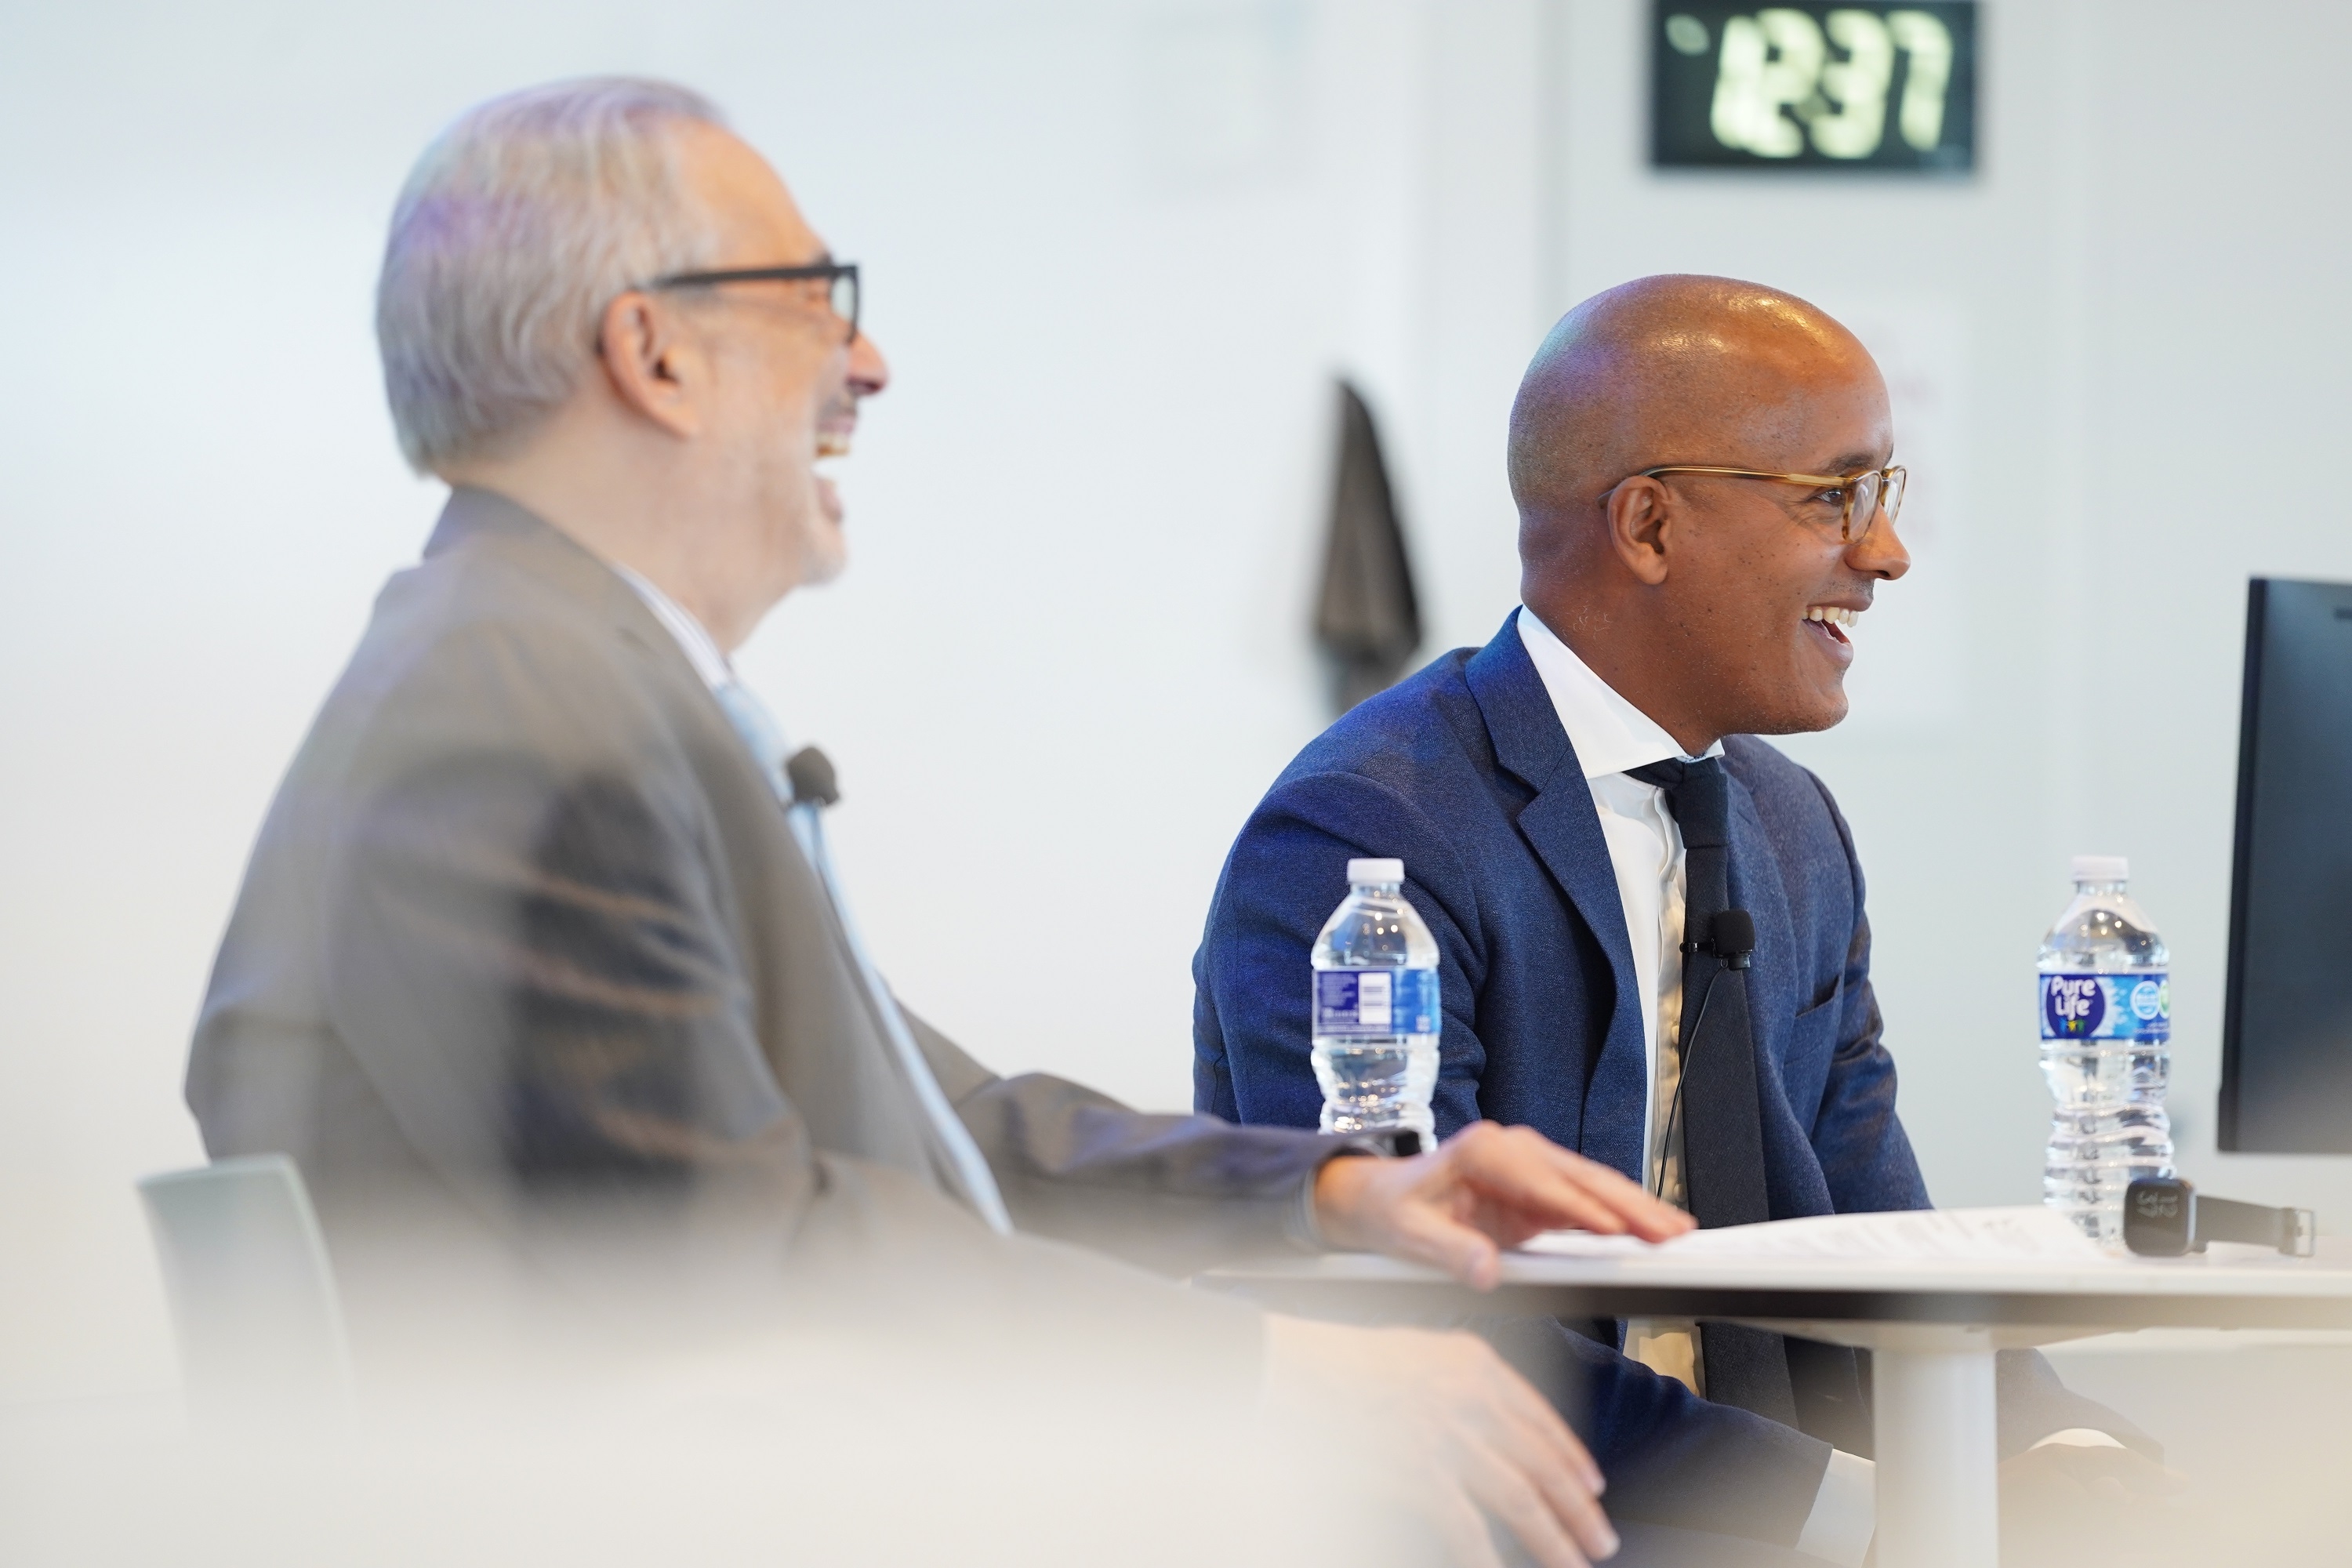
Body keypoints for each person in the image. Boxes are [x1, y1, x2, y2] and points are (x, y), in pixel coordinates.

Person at [182, 78, 1702, 1568]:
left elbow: (933, 1121)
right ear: (651, 352)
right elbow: (742, 1251)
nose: (871, 361)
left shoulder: (548, 672)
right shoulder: (527, 717)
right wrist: (1283, 1374)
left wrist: (1334, 1189)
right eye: (814, 297)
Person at [1192, 276, 2171, 1563]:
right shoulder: (1366, 834)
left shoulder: (1792, 829)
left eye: (1885, 498)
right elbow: (1424, 1323)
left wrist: (2058, 1452)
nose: (1885, 554)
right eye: (1836, 497)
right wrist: (1864, 1519)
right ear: (1649, 525)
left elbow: (1881, 1238)